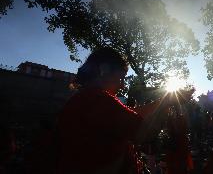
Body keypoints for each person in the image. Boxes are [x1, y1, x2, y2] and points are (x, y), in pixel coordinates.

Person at [56, 48, 193, 174]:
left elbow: (129, 113)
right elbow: (144, 133)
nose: (122, 85)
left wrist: (163, 101)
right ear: (103, 70)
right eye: (120, 78)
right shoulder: (98, 100)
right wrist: (165, 104)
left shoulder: (86, 98)